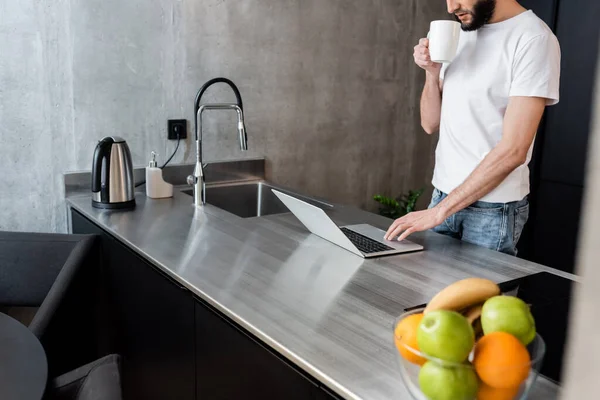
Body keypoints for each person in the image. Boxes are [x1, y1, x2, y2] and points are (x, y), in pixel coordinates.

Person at [384, 0, 561, 255]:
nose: (450, 7)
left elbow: (514, 150)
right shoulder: (458, 31)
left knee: (479, 296)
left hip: (492, 209)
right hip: (442, 195)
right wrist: (432, 74)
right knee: (436, 294)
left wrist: (440, 211)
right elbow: (430, 123)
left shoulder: (534, 39)